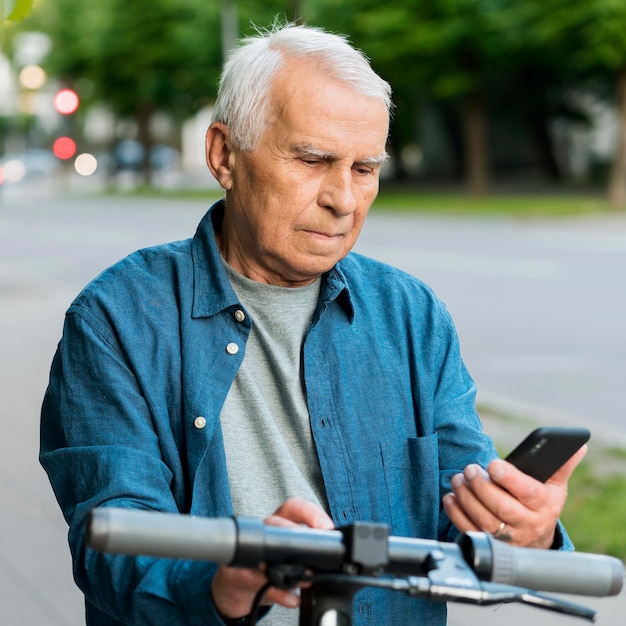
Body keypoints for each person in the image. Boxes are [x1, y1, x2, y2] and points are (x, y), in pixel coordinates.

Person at [40, 22, 585, 626]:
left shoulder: (412, 315)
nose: (344, 200)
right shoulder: (117, 318)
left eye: (365, 169)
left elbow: (460, 529)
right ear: (225, 156)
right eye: (314, 160)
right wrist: (225, 580)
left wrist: (521, 530)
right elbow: (111, 537)